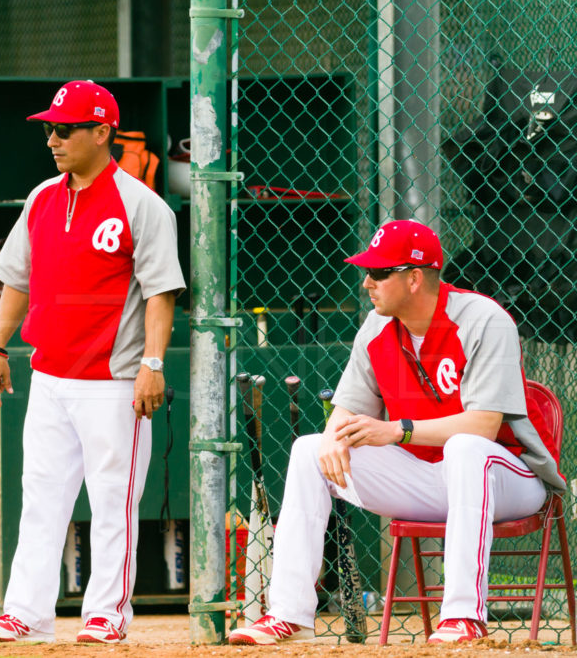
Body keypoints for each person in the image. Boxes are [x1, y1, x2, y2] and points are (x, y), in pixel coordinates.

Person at [227, 219, 565, 646]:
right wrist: (334, 437)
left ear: (414, 278)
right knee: (309, 449)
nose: (367, 282)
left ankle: (463, 617)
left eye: (380, 273)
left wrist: (397, 431)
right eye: (367, 271)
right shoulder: (376, 327)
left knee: (465, 448)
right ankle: (288, 614)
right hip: (429, 479)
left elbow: (484, 426)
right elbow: (345, 413)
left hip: (510, 479)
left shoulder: (484, 320)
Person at [0, 81, 185, 645]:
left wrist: (154, 364)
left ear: (102, 132)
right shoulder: (43, 196)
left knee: (113, 500)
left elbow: (161, 292)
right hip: (51, 374)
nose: (53, 139)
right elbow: (16, 278)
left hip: (114, 380)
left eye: (64, 129)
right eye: (49, 129)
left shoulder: (143, 205)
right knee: (41, 495)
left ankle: (105, 615)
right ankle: (26, 612)